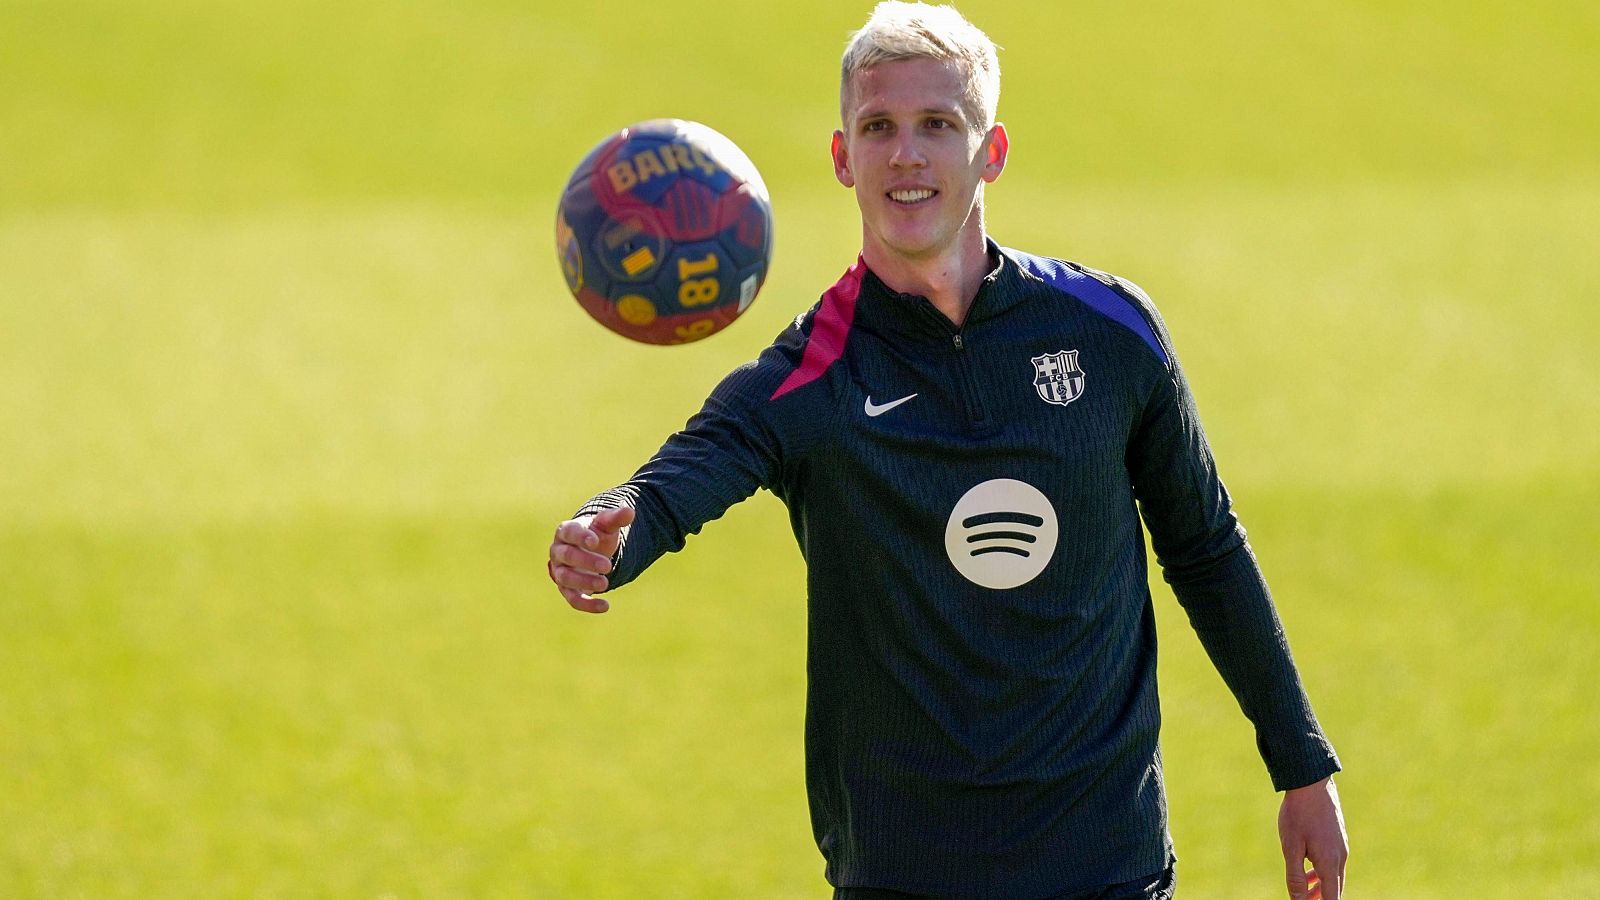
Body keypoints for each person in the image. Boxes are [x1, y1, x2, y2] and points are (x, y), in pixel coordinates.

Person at [548, 2, 1348, 897]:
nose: (907, 154)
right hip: (904, 871)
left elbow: (1204, 546)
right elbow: (684, 476)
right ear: (843, 156)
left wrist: (1300, 763)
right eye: (878, 127)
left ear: (991, 151)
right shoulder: (812, 375)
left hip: (1105, 860)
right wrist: (610, 532)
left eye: (939, 124)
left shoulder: (1112, 331)